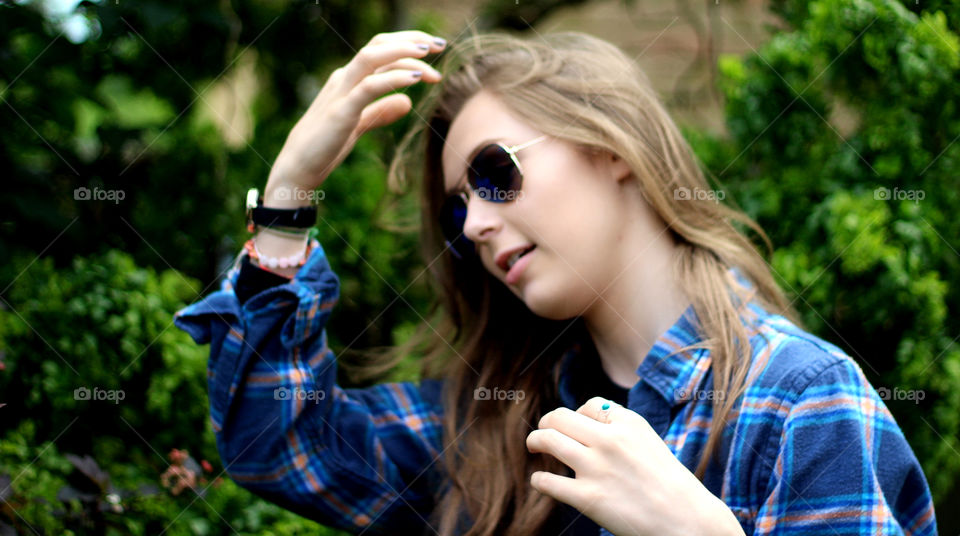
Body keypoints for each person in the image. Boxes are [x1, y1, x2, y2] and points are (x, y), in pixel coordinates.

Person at [174, 29, 937, 536]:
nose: (473, 225)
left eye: (493, 173)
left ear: (612, 146)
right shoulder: (498, 427)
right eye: (457, 211)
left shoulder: (801, 401)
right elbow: (278, 444)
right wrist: (287, 196)